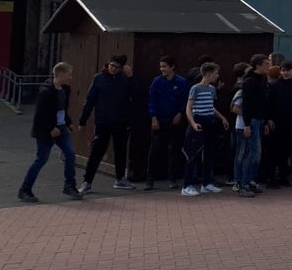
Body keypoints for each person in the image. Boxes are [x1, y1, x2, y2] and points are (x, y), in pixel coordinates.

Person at [18, 63, 84, 203]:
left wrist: (68, 122)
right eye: (69, 74)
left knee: (70, 154)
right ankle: (25, 189)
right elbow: (40, 114)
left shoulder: (65, 89)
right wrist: (50, 128)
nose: (70, 77)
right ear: (60, 75)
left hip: (61, 128)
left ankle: (70, 185)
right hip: (46, 131)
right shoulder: (46, 91)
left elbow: (62, 109)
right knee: (42, 159)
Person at [79, 54, 136, 193]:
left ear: (122, 68)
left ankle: (120, 178)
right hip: (103, 122)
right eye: (111, 65)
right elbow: (90, 100)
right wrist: (83, 120)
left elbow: (136, 95)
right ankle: (87, 182)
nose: (113, 69)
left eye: (117, 67)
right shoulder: (99, 78)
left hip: (121, 121)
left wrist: (131, 77)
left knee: (120, 151)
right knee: (97, 152)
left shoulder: (125, 79)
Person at [180, 62, 230, 198]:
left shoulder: (212, 89)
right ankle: (187, 185)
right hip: (198, 121)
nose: (217, 76)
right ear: (208, 74)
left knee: (209, 153)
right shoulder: (195, 88)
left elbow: (211, 107)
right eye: (216, 73)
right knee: (192, 154)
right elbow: (188, 108)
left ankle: (207, 183)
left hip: (210, 121)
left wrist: (222, 118)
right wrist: (193, 123)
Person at [145, 55, 189, 190]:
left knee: (174, 150)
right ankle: (150, 179)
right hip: (160, 119)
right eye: (161, 66)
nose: (162, 69)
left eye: (164, 66)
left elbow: (185, 100)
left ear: (172, 67)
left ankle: (173, 178)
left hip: (175, 120)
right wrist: (153, 117)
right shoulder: (157, 82)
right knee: (155, 149)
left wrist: (180, 113)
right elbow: (152, 100)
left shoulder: (181, 82)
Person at [234, 54, 269, 194]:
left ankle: (249, 181)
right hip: (252, 120)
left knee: (256, 153)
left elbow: (263, 103)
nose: (268, 66)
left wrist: (266, 121)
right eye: (266, 63)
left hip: (260, 120)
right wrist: (247, 124)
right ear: (258, 65)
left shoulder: (262, 80)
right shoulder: (249, 82)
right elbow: (247, 105)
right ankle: (244, 183)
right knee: (253, 153)